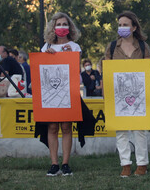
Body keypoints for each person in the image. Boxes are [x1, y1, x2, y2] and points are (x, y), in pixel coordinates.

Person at [103, 11, 150, 177]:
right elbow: (107, 73)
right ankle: (125, 164)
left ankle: (142, 164)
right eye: (120, 25)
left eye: (125, 25)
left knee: (139, 131)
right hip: (118, 97)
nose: (122, 28)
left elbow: (148, 73)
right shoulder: (111, 47)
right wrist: (106, 95)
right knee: (121, 131)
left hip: (139, 96)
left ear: (134, 27)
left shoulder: (144, 47)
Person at [40, 12, 82, 176]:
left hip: (68, 91)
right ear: (53, 27)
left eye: (65, 24)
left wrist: (69, 54)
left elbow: (76, 71)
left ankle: (65, 163)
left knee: (66, 127)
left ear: (69, 27)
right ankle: (53, 163)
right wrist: (47, 56)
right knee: (52, 127)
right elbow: (42, 69)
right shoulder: (46, 46)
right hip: (51, 92)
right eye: (59, 24)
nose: (62, 27)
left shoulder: (75, 47)